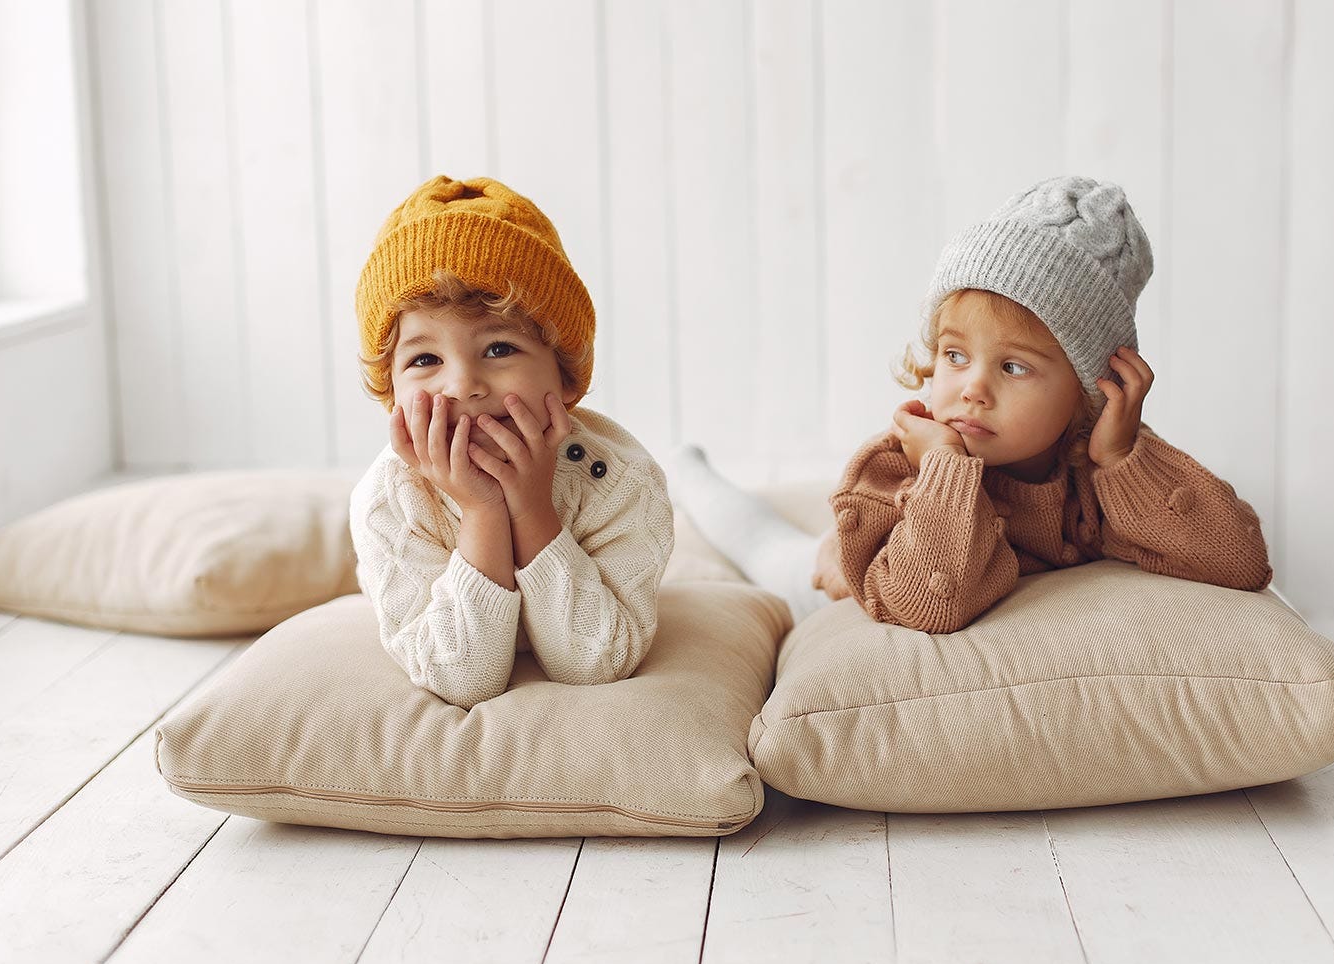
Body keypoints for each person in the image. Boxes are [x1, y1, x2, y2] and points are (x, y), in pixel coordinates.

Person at [672, 175, 1272, 633]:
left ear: (1090, 390)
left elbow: (1240, 560)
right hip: (831, 582)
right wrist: (945, 469)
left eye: (1013, 367)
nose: (972, 389)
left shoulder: (1099, 463)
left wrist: (1121, 459)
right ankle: (688, 473)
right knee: (764, 548)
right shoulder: (903, 462)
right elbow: (929, 604)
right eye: (956, 356)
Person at [349, 176, 674, 707]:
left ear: (566, 378)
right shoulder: (389, 501)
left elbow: (597, 663)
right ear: (391, 392)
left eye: (499, 348)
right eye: (424, 359)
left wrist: (530, 509)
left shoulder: (620, 483)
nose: (462, 385)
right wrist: (481, 512)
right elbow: (461, 679)